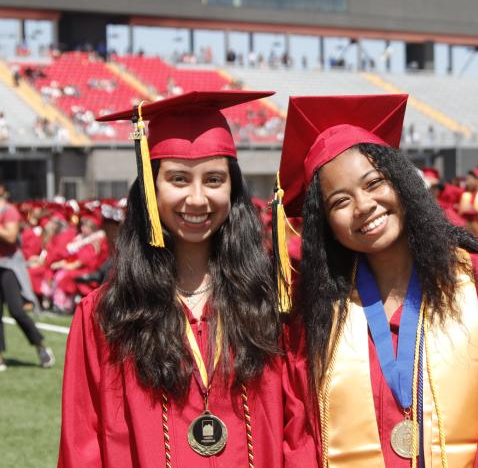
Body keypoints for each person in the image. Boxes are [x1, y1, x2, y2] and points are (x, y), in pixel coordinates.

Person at [276, 95, 478, 467]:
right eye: (339, 202)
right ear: (325, 223)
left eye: (375, 183)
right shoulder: (318, 312)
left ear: (403, 182)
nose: (364, 206)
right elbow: (301, 439)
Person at [58, 91, 318, 467]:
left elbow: (300, 433)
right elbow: (82, 447)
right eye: (178, 179)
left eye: (214, 179)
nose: (197, 199)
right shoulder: (105, 315)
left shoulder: (272, 302)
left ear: (233, 189)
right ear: (150, 188)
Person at [0, 186, 54, 371]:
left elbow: (10, 236)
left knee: (16, 310)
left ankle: (40, 347)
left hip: (9, 267)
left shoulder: (9, 212)